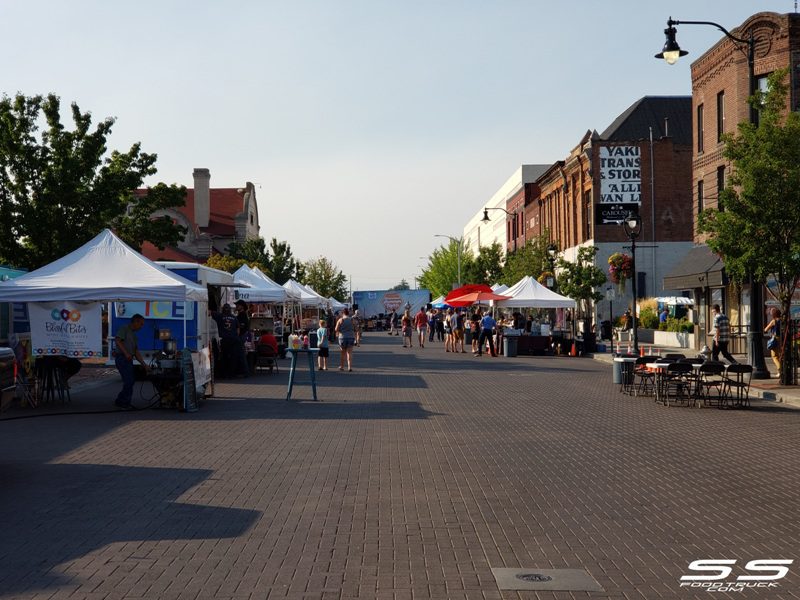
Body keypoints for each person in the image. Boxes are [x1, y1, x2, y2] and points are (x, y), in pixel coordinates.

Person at [113, 313, 147, 409]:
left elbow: (136, 352)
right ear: (135, 322)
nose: (142, 326)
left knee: (130, 381)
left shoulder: (134, 336)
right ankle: (123, 402)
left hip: (128, 360)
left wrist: (144, 365)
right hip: (122, 359)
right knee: (129, 381)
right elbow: (118, 340)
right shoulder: (124, 329)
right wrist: (126, 353)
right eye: (141, 324)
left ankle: (122, 400)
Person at [211, 304, 242, 378]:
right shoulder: (234, 318)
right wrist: (235, 336)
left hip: (224, 340)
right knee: (233, 357)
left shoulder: (219, 316)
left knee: (223, 357)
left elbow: (209, 312)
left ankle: (223, 374)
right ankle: (231, 374)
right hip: (233, 340)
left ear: (223, 309)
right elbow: (238, 329)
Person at [764, 307, 782, 376]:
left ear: (774, 315)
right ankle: (781, 370)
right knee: (781, 355)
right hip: (782, 339)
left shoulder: (774, 321)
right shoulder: (782, 320)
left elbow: (765, 329)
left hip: (775, 339)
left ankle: (780, 370)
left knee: (774, 356)